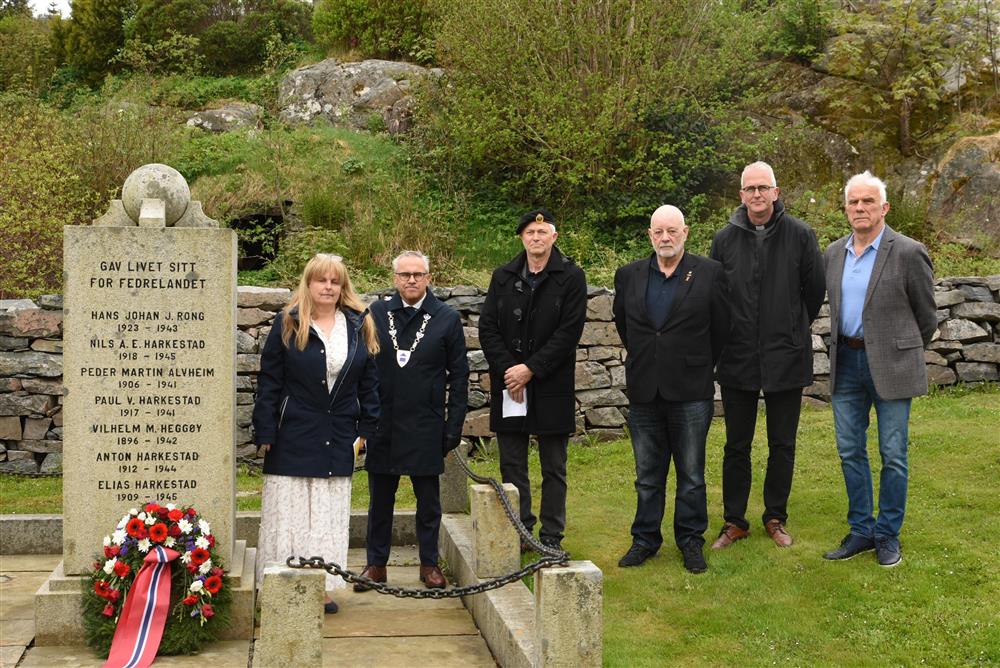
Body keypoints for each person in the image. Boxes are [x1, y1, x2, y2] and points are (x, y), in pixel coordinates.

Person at [252, 253, 380, 614]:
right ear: (308, 284)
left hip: (339, 433)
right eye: (321, 280)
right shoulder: (288, 324)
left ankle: (319, 587)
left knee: (325, 514)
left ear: (342, 288)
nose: (328, 286)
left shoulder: (358, 326)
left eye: (334, 281)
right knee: (291, 513)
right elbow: (270, 382)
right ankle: (281, 585)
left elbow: (369, 384)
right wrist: (265, 430)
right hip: (294, 431)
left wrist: (365, 430)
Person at [822, 171, 936, 567]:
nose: (860, 208)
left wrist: (899, 348)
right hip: (847, 363)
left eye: (868, 201)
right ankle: (861, 530)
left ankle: (888, 534)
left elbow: (927, 318)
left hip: (892, 364)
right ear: (846, 208)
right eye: (853, 201)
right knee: (850, 450)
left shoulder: (907, 251)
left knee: (893, 453)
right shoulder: (834, 253)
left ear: (883, 207)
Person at [709, 161, 825, 550]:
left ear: (776, 192)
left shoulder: (801, 236)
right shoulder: (724, 240)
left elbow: (814, 292)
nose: (757, 195)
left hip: (784, 355)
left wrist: (790, 326)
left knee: (782, 443)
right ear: (741, 195)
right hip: (737, 356)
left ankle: (775, 516)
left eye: (764, 188)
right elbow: (717, 297)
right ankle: (734, 520)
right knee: (736, 445)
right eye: (750, 188)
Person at [613, 205, 729, 574]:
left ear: (686, 233)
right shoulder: (629, 276)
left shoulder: (709, 273)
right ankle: (645, 540)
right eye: (659, 231)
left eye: (672, 231)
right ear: (650, 235)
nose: (665, 237)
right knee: (647, 474)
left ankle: (690, 542)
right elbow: (624, 324)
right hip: (645, 388)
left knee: (691, 474)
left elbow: (722, 328)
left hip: (691, 389)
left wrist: (696, 362)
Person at [355, 251, 469, 591]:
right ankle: (376, 564)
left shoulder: (446, 318)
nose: (411, 280)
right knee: (380, 501)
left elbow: (460, 378)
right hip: (383, 423)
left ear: (429, 278)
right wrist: (362, 420)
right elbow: (361, 369)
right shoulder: (375, 314)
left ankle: (429, 564)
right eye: (404, 274)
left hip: (426, 423)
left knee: (429, 502)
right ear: (395, 278)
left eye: (418, 274)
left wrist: (454, 427)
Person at [478, 209, 587, 551]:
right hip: (511, 385)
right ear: (522, 238)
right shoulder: (503, 276)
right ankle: (520, 530)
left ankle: (552, 536)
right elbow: (488, 327)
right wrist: (511, 370)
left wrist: (532, 368)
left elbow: (569, 332)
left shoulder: (571, 277)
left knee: (553, 465)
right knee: (512, 462)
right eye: (530, 232)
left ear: (554, 237)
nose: (536, 237)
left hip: (551, 383)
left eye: (542, 231)